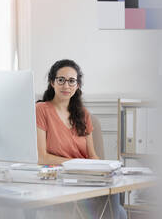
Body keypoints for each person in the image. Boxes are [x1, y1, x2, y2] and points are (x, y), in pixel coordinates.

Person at [36, 59, 127, 219]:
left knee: (114, 191)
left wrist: (103, 169)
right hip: (62, 178)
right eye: (61, 80)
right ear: (52, 82)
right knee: (118, 212)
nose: (66, 86)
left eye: (72, 81)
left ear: (77, 85)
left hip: (86, 177)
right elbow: (41, 157)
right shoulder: (41, 110)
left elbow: (92, 155)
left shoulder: (83, 114)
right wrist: (76, 164)